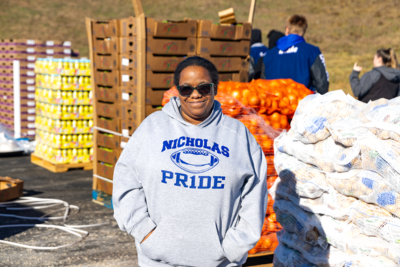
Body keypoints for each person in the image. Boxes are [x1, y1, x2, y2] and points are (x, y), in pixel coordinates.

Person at [113, 56, 268, 267]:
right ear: (177, 90)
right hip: (158, 261)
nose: (195, 94)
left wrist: (234, 245)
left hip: (221, 262)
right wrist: (144, 231)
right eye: (186, 89)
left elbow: (254, 195)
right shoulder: (153, 127)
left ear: (215, 88)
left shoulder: (238, 136)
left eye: (204, 88)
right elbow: (126, 179)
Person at [262, 14, 329, 94]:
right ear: (303, 31)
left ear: (287, 30)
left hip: (274, 104)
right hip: (301, 103)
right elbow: (321, 85)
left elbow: (262, 84)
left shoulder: (268, 54)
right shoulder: (312, 52)